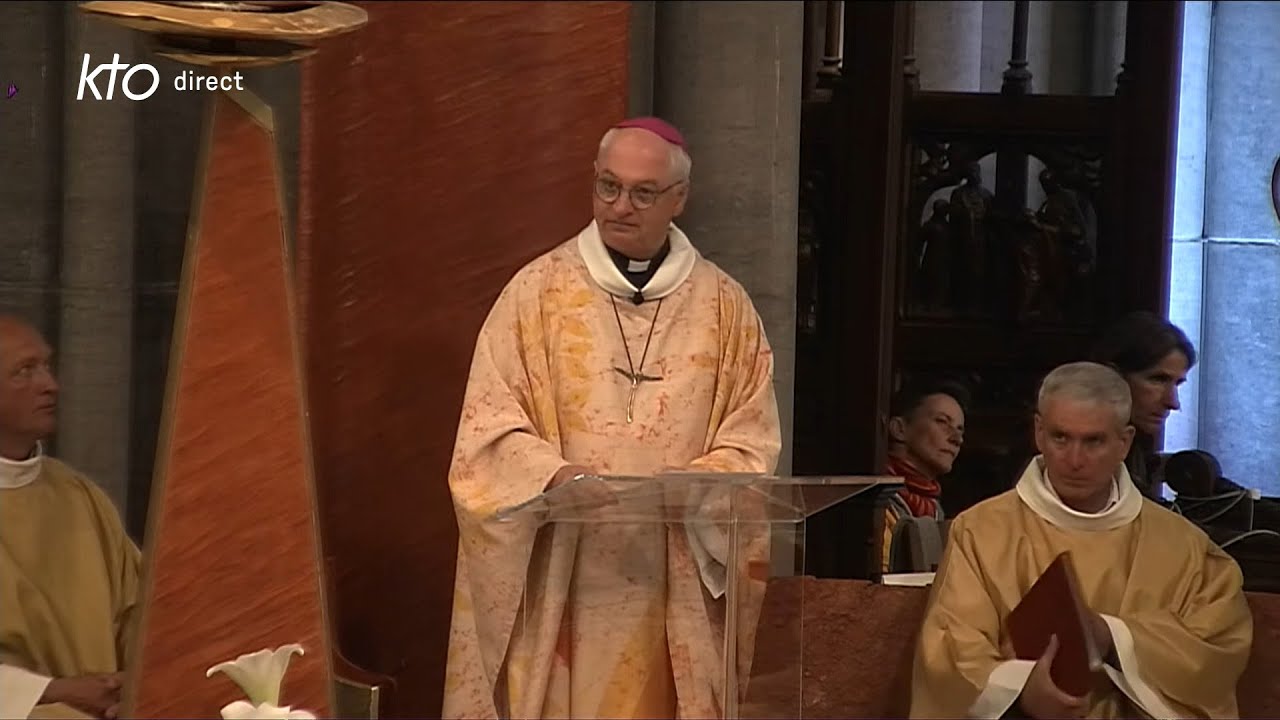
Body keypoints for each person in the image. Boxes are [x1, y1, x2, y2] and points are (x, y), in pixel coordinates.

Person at [442, 117, 781, 719]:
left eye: (642, 193)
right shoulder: (536, 295)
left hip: (671, 573)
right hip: (566, 572)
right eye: (607, 186)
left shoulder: (725, 308)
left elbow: (752, 441)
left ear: (679, 199)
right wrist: (554, 476)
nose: (620, 206)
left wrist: (694, 485)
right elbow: (485, 429)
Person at [910, 361, 1252, 719]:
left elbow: (1214, 648)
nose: (1074, 460)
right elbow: (950, 650)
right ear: (1039, 432)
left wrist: (1113, 636)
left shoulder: (1186, 548)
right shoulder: (980, 532)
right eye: (1060, 437)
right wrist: (1020, 692)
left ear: (1125, 441)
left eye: (1094, 441)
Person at [0, 314, 142, 720]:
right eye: (24, 371)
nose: (51, 385)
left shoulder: (78, 495)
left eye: (46, 365)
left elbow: (139, 610)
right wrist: (52, 691)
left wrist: (131, 680)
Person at [1091, 310, 1196, 498]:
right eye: (1158, 379)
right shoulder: (1075, 456)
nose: (1173, 402)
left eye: (1177, 384)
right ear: (1113, 376)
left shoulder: (1135, 450)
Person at [875, 380, 966, 573]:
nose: (956, 439)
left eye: (960, 430)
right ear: (899, 429)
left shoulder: (934, 509)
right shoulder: (875, 498)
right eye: (942, 422)